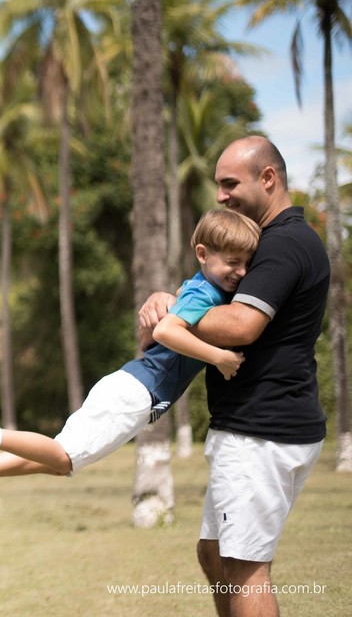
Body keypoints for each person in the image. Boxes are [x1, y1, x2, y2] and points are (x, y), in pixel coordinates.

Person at [0, 207, 261, 531]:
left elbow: (156, 336)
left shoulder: (199, 289)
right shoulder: (205, 293)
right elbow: (165, 332)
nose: (242, 271)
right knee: (63, 458)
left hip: (131, 388)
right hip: (137, 394)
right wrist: (219, 356)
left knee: (58, 462)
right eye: (233, 262)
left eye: (247, 263)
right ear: (203, 254)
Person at [138, 136, 327, 617]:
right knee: (214, 554)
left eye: (230, 183)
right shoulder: (266, 242)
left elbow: (241, 325)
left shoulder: (283, 244)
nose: (220, 195)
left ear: (268, 178)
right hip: (252, 427)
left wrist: (174, 318)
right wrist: (177, 304)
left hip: (262, 430)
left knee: (244, 569)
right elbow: (218, 300)